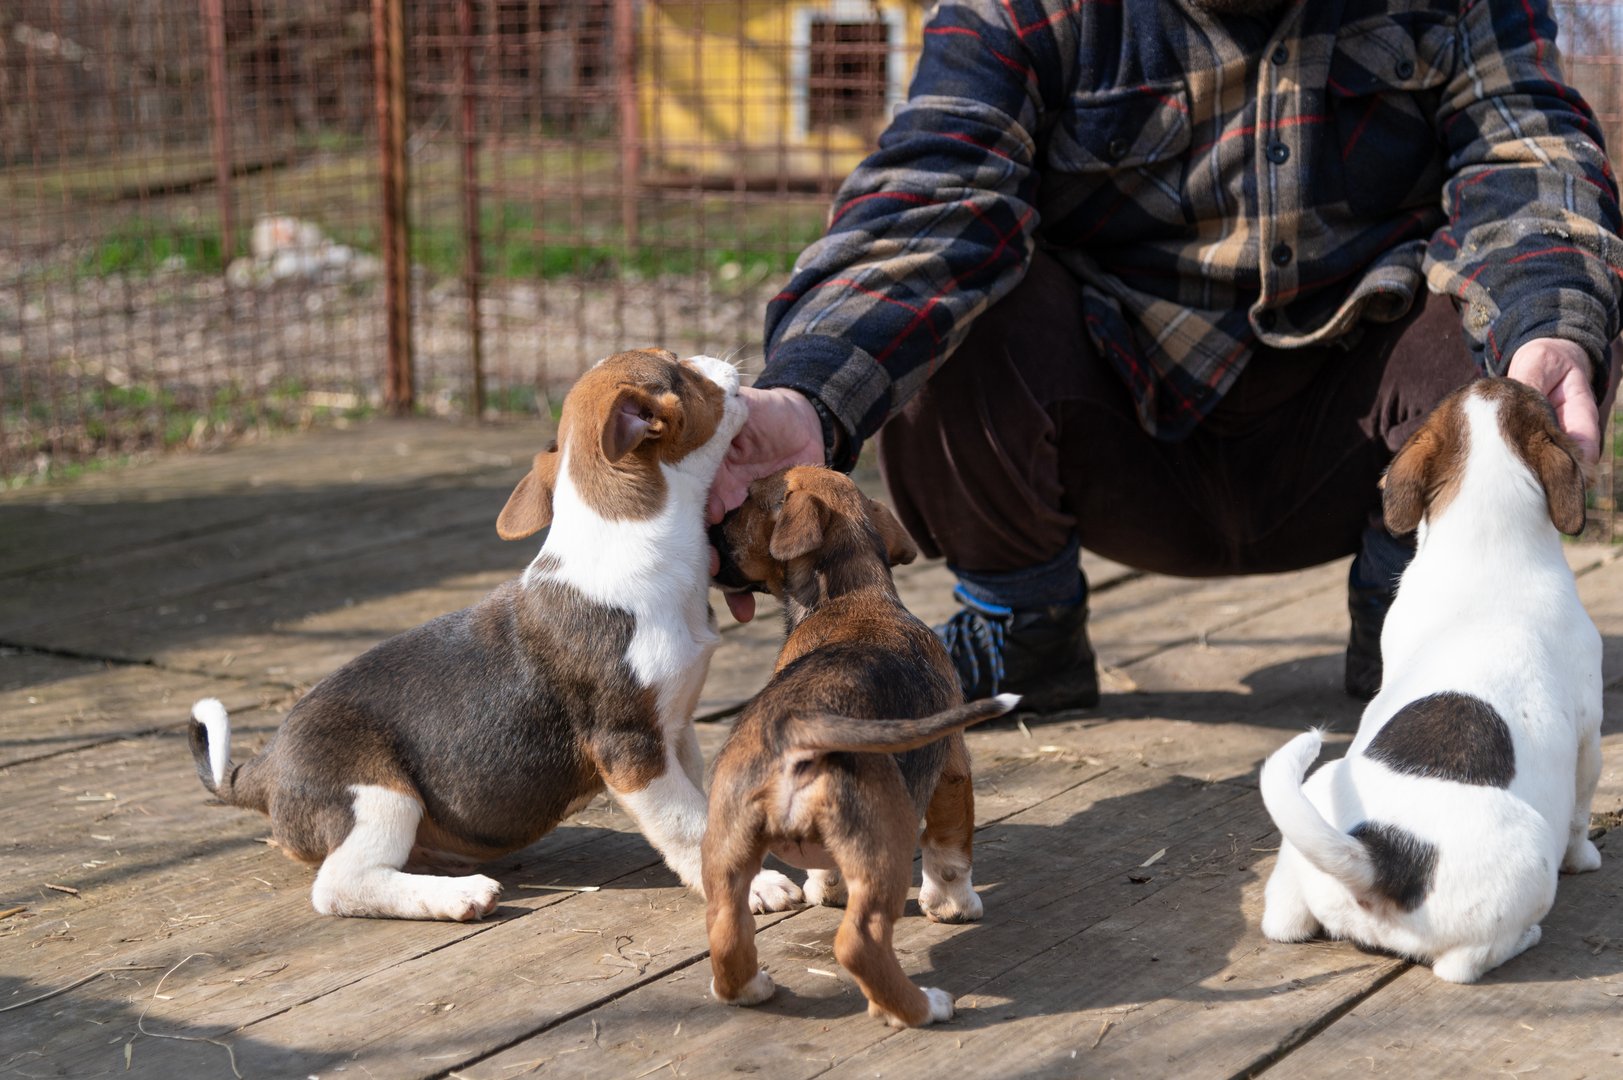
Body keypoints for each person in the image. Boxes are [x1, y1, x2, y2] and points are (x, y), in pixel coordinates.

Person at [707, 0, 1623, 711]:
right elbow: (927, 203)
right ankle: (1022, 629)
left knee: (1535, 311)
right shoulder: (1023, 11)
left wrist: (1551, 328)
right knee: (951, 299)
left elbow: (1530, 159)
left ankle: (1415, 613)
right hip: (1115, 435)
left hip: (1362, 449)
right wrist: (805, 397)